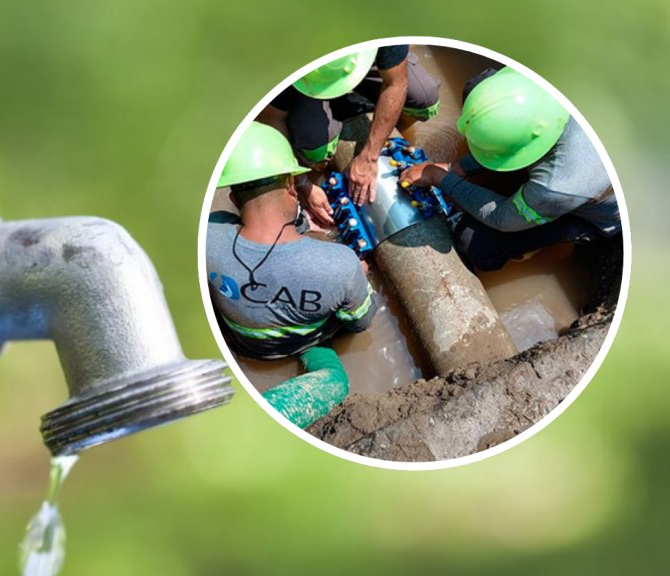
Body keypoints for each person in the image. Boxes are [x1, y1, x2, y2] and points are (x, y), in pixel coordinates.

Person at [400, 67, 621, 271]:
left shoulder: (557, 186)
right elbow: (516, 126)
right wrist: (457, 168)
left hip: (591, 215)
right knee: (478, 89)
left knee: (476, 242)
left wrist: (440, 178)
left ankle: (555, 241)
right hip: (579, 160)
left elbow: (502, 218)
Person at [207, 122, 376, 361]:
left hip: (242, 345)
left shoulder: (208, 234)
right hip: (307, 344)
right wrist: (359, 275)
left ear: (233, 198)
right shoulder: (341, 265)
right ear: (291, 186)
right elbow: (361, 323)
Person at [256, 45, 441, 209]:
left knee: (425, 98)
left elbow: (396, 83)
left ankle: (391, 129)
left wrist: (370, 156)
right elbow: (271, 119)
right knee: (316, 146)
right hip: (308, 76)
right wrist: (302, 182)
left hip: (361, 60)